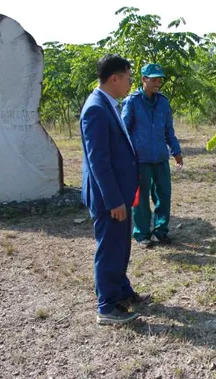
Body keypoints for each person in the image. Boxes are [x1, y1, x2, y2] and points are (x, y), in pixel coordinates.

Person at [80, 54, 150, 325]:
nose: (130, 83)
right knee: (109, 248)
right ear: (114, 79)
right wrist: (113, 200)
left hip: (119, 193)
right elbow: (99, 160)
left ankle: (121, 291)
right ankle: (107, 305)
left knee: (120, 246)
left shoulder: (108, 104)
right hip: (109, 197)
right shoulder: (96, 109)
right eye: (129, 78)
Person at [121, 63, 183, 247]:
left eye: (159, 80)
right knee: (140, 200)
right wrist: (125, 157)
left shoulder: (163, 102)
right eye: (154, 79)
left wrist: (176, 151)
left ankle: (160, 231)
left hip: (160, 159)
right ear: (143, 80)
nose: (158, 83)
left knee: (163, 195)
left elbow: (168, 131)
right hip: (140, 160)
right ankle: (142, 234)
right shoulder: (132, 102)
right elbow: (123, 131)